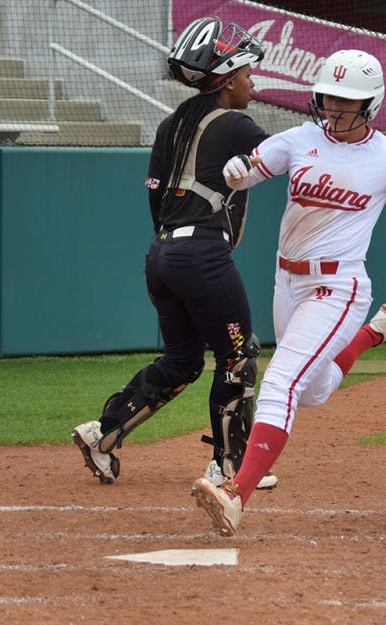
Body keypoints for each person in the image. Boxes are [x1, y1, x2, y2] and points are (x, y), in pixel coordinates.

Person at [189, 49, 386, 536]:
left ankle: (235, 494)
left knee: (281, 381)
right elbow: (255, 163)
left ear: (371, 103)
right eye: (329, 95)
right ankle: (374, 334)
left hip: (339, 285)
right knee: (313, 390)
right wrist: (238, 171)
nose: (333, 105)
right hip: (288, 281)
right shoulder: (304, 138)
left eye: (347, 99)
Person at [70, 17, 276, 490]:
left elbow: (154, 195)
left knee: (183, 360)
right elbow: (283, 154)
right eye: (246, 73)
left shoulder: (170, 123)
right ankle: (229, 465)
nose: (252, 82)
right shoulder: (235, 123)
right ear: (225, 78)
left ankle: (103, 433)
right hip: (201, 255)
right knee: (238, 356)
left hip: (161, 254)